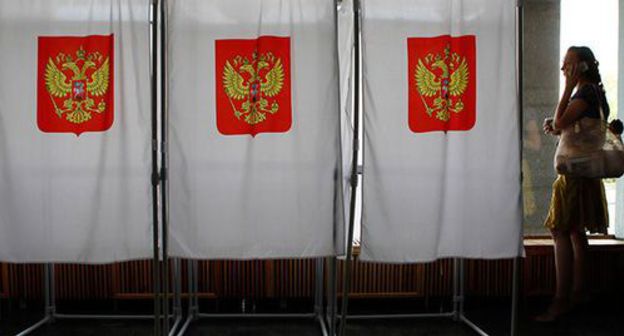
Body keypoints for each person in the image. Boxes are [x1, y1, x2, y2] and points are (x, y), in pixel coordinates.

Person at [538, 46, 611, 322]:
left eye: (567, 64)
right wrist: (557, 126)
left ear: (581, 66)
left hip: (574, 175)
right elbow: (567, 125)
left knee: (561, 230)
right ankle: (579, 293)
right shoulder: (596, 93)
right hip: (585, 172)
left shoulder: (584, 92)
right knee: (577, 233)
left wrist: (567, 87)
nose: (563, 69)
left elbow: (561, 119)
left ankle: (561, 299)